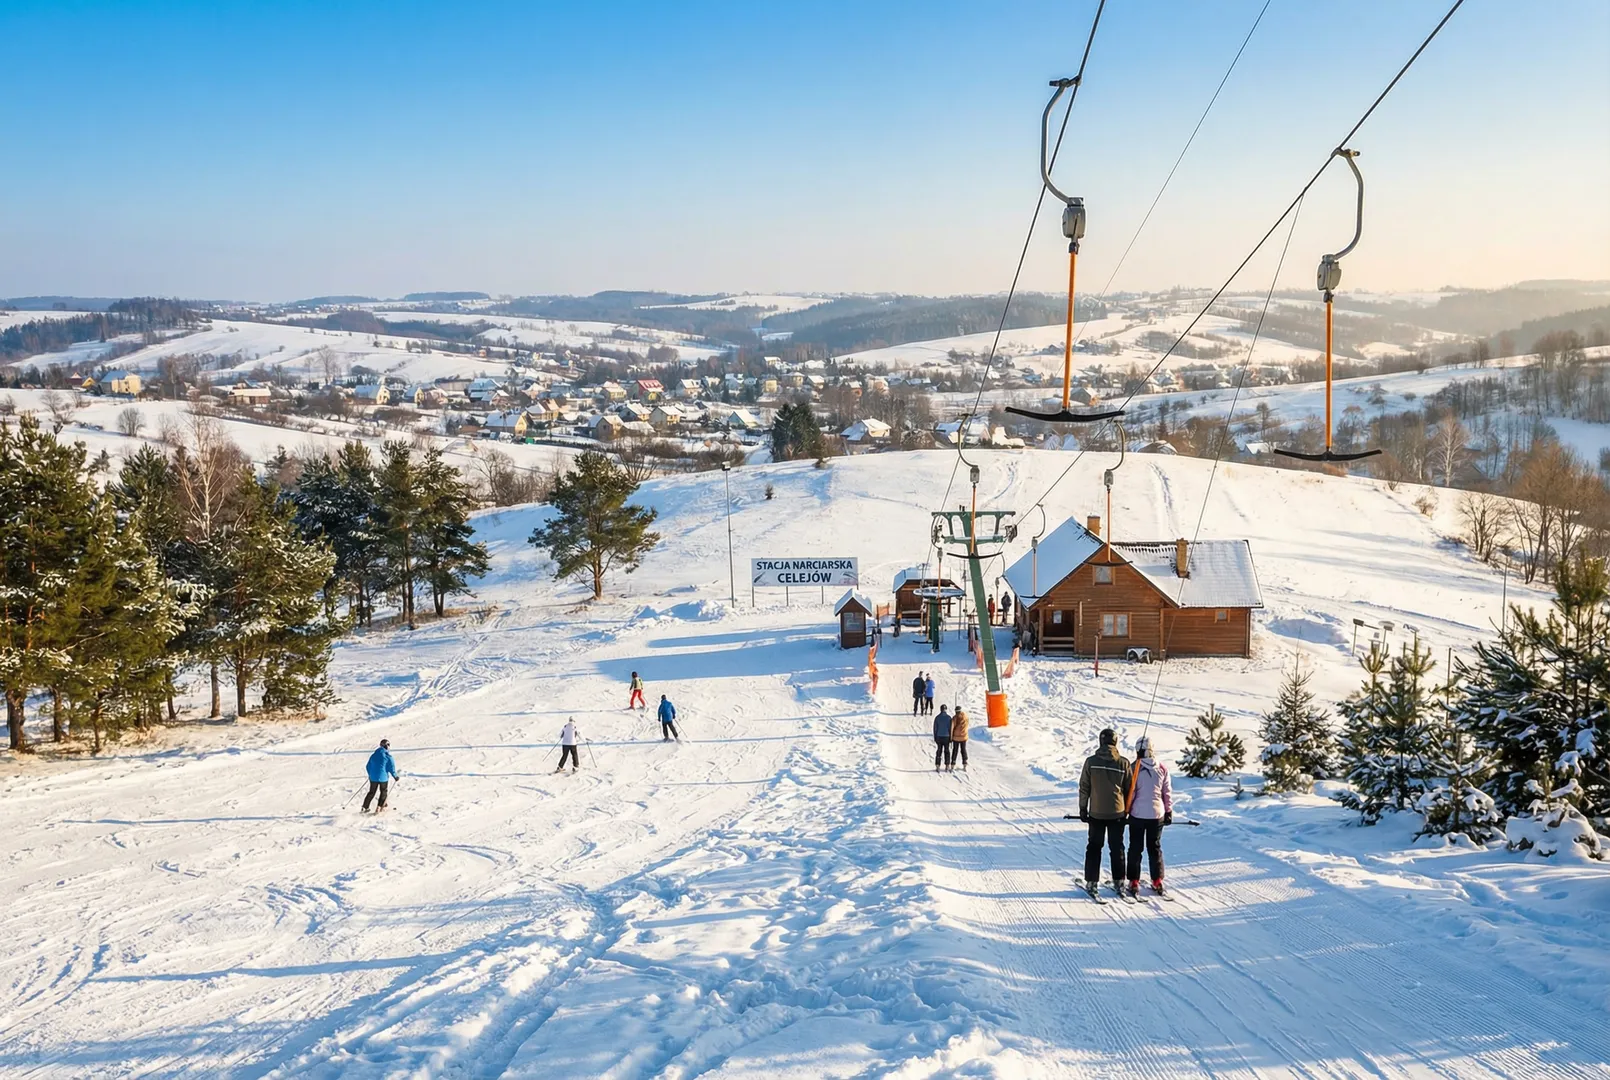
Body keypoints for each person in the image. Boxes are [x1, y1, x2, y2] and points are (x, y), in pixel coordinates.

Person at [1077, 728, 1132, 895]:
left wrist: (1083, 808)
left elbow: (1084, 787)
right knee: (1117, 847)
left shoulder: (1091, 762)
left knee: (1094, 847)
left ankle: (1092, 882)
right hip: (1118, 813)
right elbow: (1130, 790)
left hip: (1096, 813)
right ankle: (1119, 882)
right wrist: (1128, 811)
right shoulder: (1123, 763)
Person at [1126, 735, 1173, 897]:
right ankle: (1157, 880)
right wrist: (1168, 811)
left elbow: (1131, 793)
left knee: (1135, 847)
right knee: (1154, 847)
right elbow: (1166, 792)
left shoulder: (1135, 768)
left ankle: (1134, 880)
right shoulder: (1162, 768)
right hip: (1157, 815)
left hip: (1137, 814)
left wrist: (1126, 811)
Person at [363, 738, 400, 812]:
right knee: (383, 791)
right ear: (387, 746)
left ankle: (365, 807)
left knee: (372, 792)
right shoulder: (388, 756)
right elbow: (391, 768)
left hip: (373, 778)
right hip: (383, 778)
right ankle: (379, 806)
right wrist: (395, 776)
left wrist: (371, 774)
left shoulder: (373, 755)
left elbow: (368, 766)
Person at [948, 704, 970, 771]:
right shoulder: (965, 717)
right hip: (964, 737)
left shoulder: (954, 718)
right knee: (963, 749)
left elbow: (951, 728)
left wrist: (950, 738)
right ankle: (965, 762)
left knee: (955, 750)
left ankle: (953, 763)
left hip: (956, 737)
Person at [932, 704, 952, 772]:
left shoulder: (937, 718)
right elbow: (950, 728)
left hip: (939, 736)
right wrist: (951, 737)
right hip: (947, 736)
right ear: (946, 709)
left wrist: (935, 737)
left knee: (939, 750)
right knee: (947, 751)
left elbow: (935, 728)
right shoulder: (949, 718)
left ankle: (938, 765)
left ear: (940, 709)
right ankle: (947, 765)